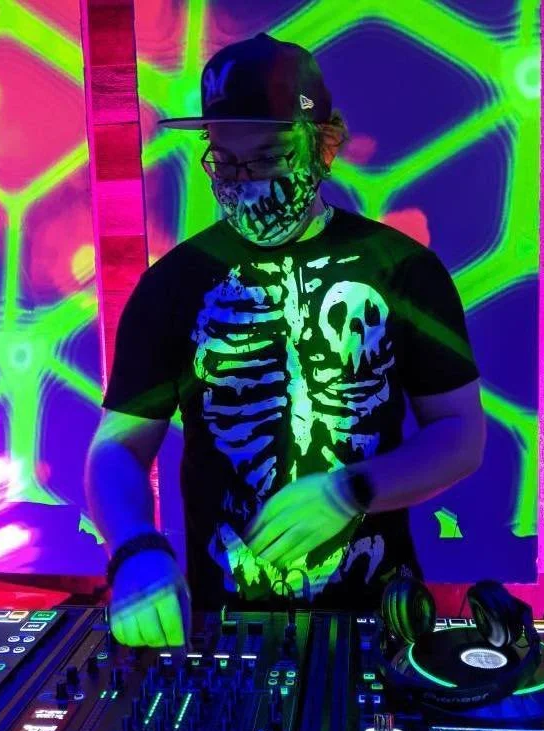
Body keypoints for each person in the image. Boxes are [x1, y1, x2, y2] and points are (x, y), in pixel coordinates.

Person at [85, 33, 486, 649]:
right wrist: (135, 549)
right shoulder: (172, 285)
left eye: (270, 157)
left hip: (380, 616)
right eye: (225, 160)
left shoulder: (403, 270)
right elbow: (116, 447)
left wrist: (354, 488)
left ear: (323, 148)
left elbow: (460, 434)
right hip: (224, 620)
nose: (246, 183)